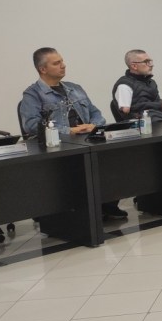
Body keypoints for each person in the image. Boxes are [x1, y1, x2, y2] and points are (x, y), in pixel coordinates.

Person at [20, 47, 127, 220]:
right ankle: (74, 212)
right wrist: (68, 130)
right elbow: (32, 126)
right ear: (43, 69)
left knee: (115, 156)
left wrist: (93, 125)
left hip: (86, 138)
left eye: (62, 61)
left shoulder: (75, 88)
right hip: (59, 144)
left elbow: (96, 113)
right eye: (57, 63)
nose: (63, 65)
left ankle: (107, 204)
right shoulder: (32, 94)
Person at [112, 49, 162, 122]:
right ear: (134, 66)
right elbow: (126, 111)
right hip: (143, 124)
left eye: (150, 61)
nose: (151, 65)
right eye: (146, 62)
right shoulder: (124, 85)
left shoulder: (151, 82)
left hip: (160, 120)